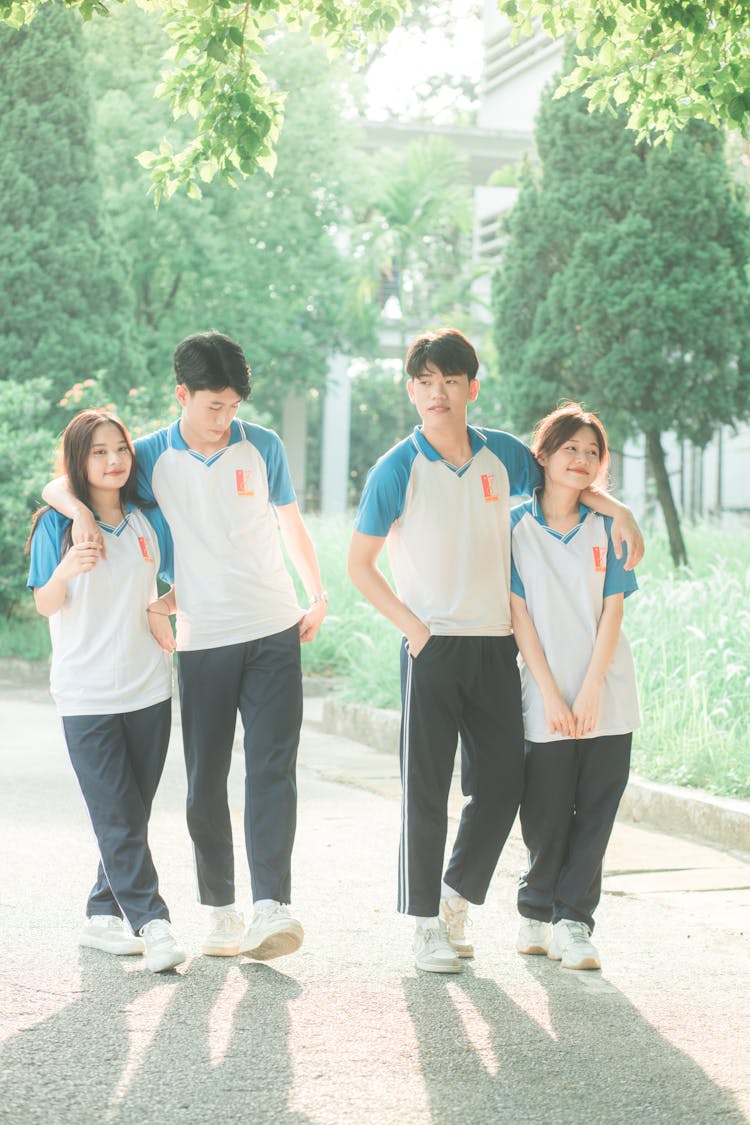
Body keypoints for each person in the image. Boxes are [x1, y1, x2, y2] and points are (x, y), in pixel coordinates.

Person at [347, 328, 644, 974]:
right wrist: (415, 630)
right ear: (411, 390)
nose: (438, 393)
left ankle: (454, 899)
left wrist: (616, 507)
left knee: (503, 786)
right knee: (425, 791)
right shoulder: (398, 466)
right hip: (432, 650)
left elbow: (566, 473)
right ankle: (425, 923)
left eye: (451, 381)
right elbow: (360, 565)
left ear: (471, 389)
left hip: (495, 649)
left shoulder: (498, 456)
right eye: (425, 382)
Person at [43, 332, 327, 961]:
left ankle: (270, 905)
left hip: (274, 625)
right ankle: (221, 909)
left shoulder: (264, 446)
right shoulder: (146, 455)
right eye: (212, 407)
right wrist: (80, 514)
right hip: (203, 639)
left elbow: (290, 522)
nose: (224, 420)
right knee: (206, 780)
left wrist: (318, 592)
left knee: (273, 767)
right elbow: (66, 483)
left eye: (232, 407)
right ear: (183, 395)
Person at [27, 410, 185, 974]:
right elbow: (46, 603)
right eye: (98, 452)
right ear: (78, 460)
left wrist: (163, 607)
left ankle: (101, 912)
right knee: (117, 814)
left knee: (130, 812)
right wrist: (67, 567)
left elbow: (180, 580)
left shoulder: (149, 521)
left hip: (148, 690)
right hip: (85, 695)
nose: (114, 460)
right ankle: (154, 922)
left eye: (120, 448)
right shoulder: (56, 525)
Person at [511, 402, 640, 971]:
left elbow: (613, 612)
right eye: (571, 449)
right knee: (543, 812)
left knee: (596, 810)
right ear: (544, 455)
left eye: (593, 452)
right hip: (543, 691)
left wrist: (588, 691)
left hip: (606, 692)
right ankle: (536, 910)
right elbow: (519, 618)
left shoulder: (608, 527)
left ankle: (573, 922)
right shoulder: (513, 526)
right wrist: (552, 693)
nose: (583, 460)